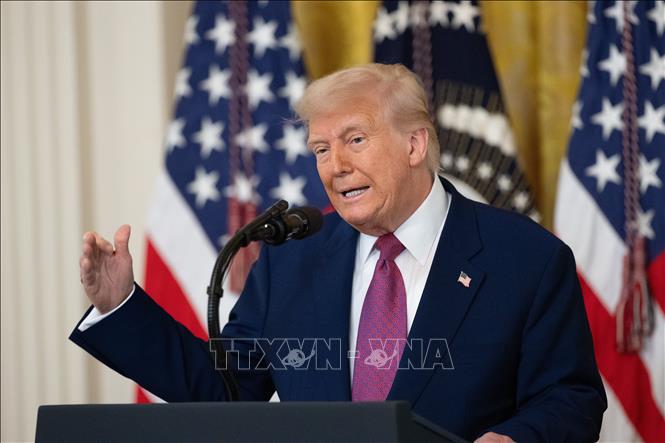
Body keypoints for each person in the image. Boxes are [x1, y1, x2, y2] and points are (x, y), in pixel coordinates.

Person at [72, 63, 606, 442]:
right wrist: (121, 305)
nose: (335, 167)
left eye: (355, 140)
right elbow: (225, 389)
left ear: (415, 144)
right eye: (321, 149)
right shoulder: (292, 260)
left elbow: (571, 399)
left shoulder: (527, 258)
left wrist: (516, 439)